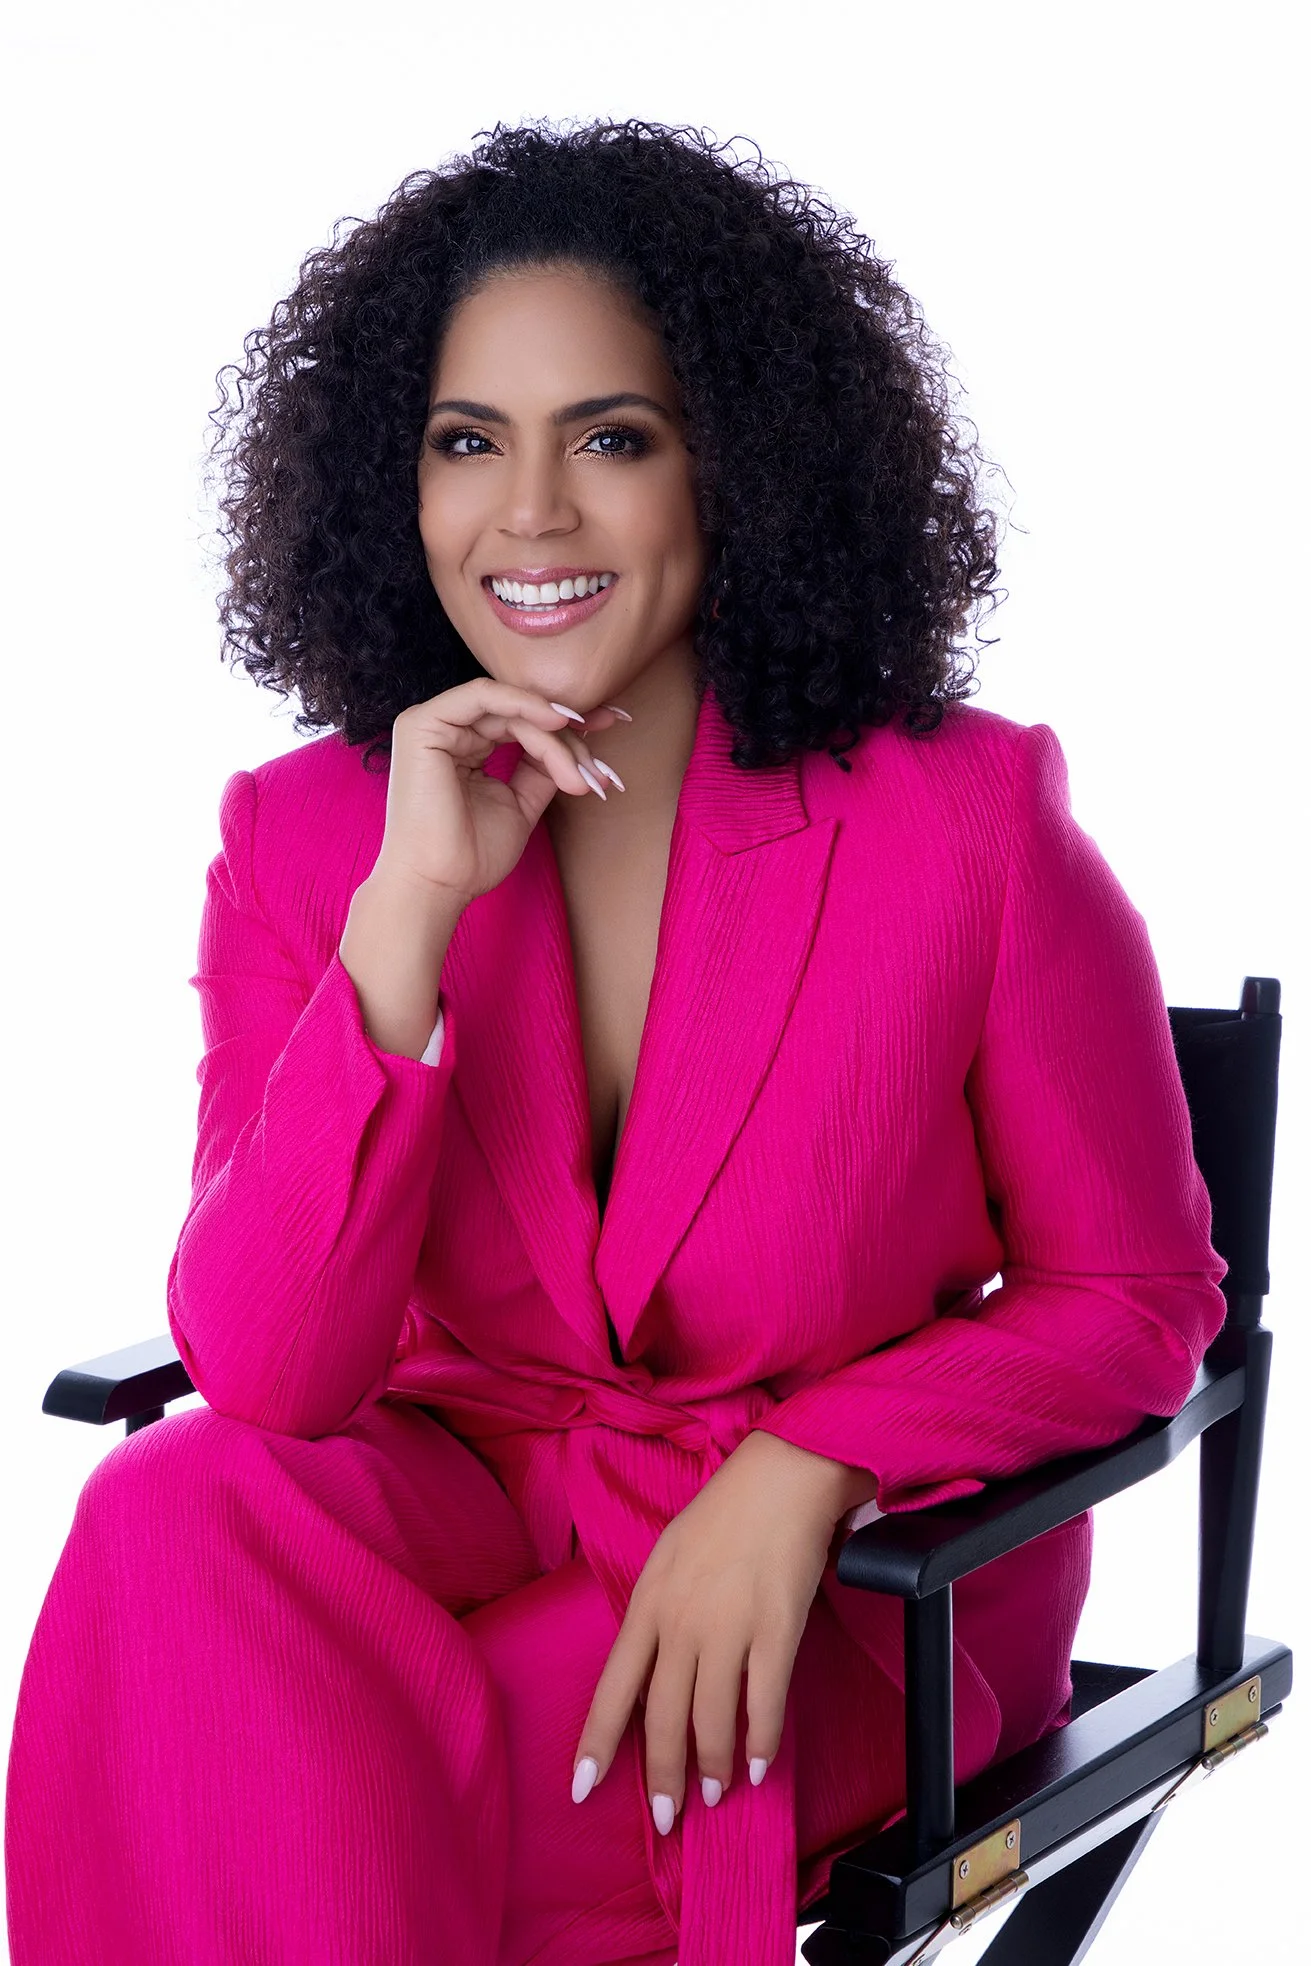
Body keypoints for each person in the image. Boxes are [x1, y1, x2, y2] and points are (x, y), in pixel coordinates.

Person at [4, 118, 1227, 1966]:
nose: (534, 514)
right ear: (388, 489)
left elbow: (1135, 1296)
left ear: (734, 468)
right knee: (171, 1508)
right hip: (470, 1493)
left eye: (614, 438)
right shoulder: (309, 837)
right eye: (468, 442)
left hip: (842, 1591)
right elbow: (267, 1366)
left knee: (319, 1776)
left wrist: (807, 1465)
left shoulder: (963, 822)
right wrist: (408, 916)